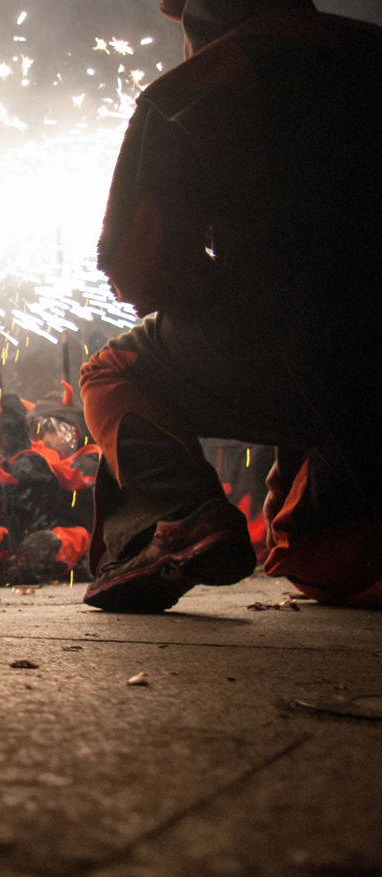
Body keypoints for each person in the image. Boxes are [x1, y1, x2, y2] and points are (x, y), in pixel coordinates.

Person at [79, 0, 382, 610]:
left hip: (309, 355)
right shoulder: (368, 52)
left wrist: (233, 291)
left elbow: (140, 270)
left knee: (108, 370)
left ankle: (180, 520)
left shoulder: (192, 92)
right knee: (319, 541)